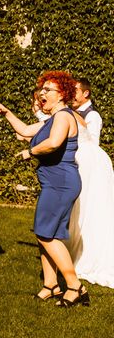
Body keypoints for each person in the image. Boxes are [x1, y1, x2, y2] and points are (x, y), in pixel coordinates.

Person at [0, 70, 89, 307]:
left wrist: (30, 152)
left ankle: (75, 286)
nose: (42, 93)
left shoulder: (65, 116)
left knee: (45, 233)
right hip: (56, 182)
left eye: (48, 90)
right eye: (42, 89)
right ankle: (51, 284)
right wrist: (7, 112)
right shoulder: (53, 119)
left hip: (61, 182)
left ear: (62, 94)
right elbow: (25, 131)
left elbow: (54, 143)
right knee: (49, 234)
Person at [65, 109, 114, 288]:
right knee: (90, 207)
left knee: (90, 207)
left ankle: (87, 254)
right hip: (93, 159)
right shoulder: (73, 113)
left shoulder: (70, 114)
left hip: (87, 162)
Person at [72, 77, 102, 145]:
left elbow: (93, 145)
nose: (71, 95)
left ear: (86, 93)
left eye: (75, 91)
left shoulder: (92, 115)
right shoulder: (72, 111)